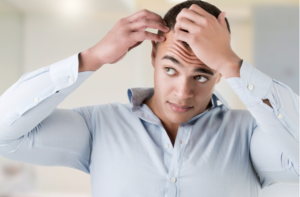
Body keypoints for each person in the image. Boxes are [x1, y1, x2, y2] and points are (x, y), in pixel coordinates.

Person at [0, 0, 298, 196]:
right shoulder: (99, 126)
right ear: (153, 55)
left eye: (202, 76)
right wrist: (92, 57)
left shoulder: (249, 134)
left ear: (219, 75)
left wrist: (234, 65)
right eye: (171, 69)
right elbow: (4, 133)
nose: (183, 92)